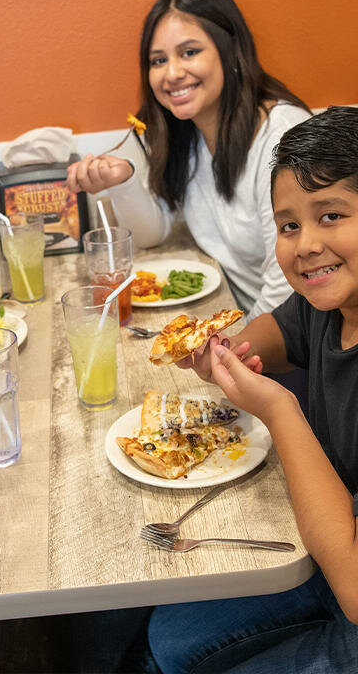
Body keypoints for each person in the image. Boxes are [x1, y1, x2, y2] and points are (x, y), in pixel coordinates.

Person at [148, 107, 358, 673]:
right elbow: (268, 338)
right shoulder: (328, 304)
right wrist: (219, 352)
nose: (306, 245)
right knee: (171, 640)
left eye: (331, 215)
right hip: (329, 540)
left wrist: (280, 410)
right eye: (288, 225)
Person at [66, 0, 312, 321]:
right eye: (158, 60)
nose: (171, 74)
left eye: (189, 52)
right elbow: (154, 235)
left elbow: (293, 278)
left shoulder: (283, 134)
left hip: (293, 336)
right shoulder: (186, 134)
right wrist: (122, 181)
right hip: (237, 316)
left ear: (231, 51)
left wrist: (237, 350)